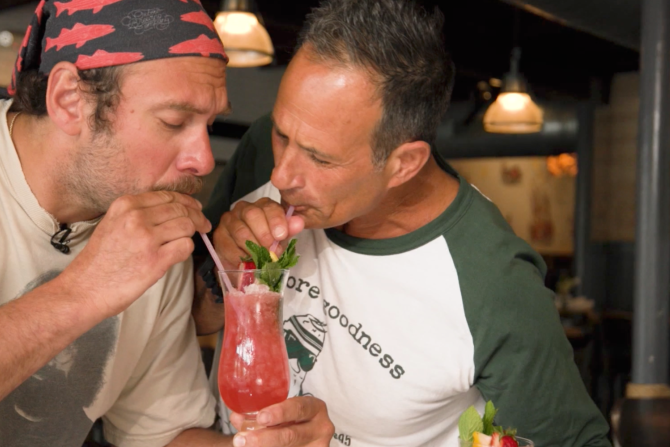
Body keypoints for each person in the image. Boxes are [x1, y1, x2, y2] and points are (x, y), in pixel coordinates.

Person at [0, 1, 333, 446]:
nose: (202, 159)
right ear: (69, 100)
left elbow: (162, 435)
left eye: (209, 125)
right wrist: (84, 290)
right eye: (174, 122)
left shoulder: (150, 217)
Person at [192, 0, 612, 446]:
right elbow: (193, 321)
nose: (281, 175)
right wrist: (224, 271)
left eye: (319, 157)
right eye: (281, 133)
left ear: (404, 164)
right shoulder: (261, 153)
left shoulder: (494, 283)